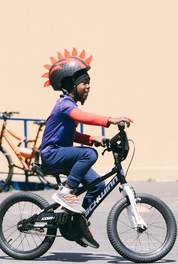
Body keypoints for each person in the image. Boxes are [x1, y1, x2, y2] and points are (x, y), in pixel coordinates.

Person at [40, 48, 133, 248]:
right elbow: (81, 117)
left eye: (89, 82)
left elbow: (73, 135)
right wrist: (110, 120)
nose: (88, 86)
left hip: (62, 156)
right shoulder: (64, 104)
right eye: (84, 83)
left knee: (97, 185)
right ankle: (66, 192)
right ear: (70, 86)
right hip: (51, 155)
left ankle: (78, 225)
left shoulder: (69, 106)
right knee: (88, 154)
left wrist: (93, 139)